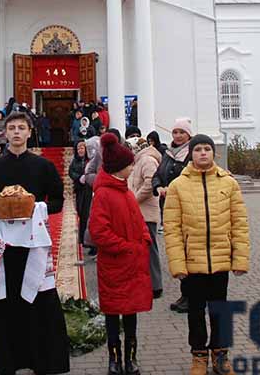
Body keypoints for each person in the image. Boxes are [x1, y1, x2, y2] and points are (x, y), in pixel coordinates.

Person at [0, 111, 70, 375]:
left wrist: (34, 206)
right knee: (6, 303)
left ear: (30, 133)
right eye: (12, 128)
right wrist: (1, 208)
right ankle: (9, 361)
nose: (17, 132)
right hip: (5, 249)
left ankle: (44, 361)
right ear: (4, 133)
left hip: (34, 248)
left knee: (40, 302)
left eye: (21, 128)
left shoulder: (42, 166)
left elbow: (57, 200)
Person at [163, 134, 249, 375]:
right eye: (198, 149)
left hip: (220, 261)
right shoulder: (178, 186)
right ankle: (198, 356)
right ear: (191, 153)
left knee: (219, 310)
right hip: (193, 263)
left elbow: (239, 223)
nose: (203, 153)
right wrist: (178, 264)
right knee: (196, 312)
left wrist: (239, 258)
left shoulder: (228, 183)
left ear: (214, 153)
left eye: (207, 149)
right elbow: (172, 228)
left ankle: (220, 355)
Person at [88, 133, 152, 375]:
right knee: (114, 316)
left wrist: (144, 238)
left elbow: (138, 221)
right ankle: (114, 359)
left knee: (131, 315)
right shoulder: (105, 193)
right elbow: (99, 232)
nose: (133, 167)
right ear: (120, 168)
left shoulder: (124, 191)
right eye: (130, 164)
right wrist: (127, 248)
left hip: (131, 265)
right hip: (115, 265)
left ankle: (131, 358)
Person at [152, 117, 193, 313]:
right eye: (175, 132)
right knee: (178, 252)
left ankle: (192, 296)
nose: (177, 135)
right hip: (169, 207)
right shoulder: (168, 153)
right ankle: (185, 293)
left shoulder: (192, 154)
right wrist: (158, 186)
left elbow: (192, 179)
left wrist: (174, 189)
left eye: (181, 132)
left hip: (188, 209)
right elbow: (158, 174)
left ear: (189, 135)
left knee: (190, 253)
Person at [127, 138, 164, 299]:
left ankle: (156, 286)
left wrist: (133, 200)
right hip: (139, 211)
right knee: (142, 249)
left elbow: (149, 184)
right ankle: (146, 283)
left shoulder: (147, 160)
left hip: (146, 212)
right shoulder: (138, 161)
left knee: (150, 249)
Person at [68, 140, 91, 262]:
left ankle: (88, 240)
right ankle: (81, 238)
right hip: (79, 189)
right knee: (81, 212)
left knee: (87, 213)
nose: (81, 150)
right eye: (79, 148)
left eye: (83, 148)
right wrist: (78, 177)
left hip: (88, 189)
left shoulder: (90, 161)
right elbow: (71, 172)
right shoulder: (75, 161)